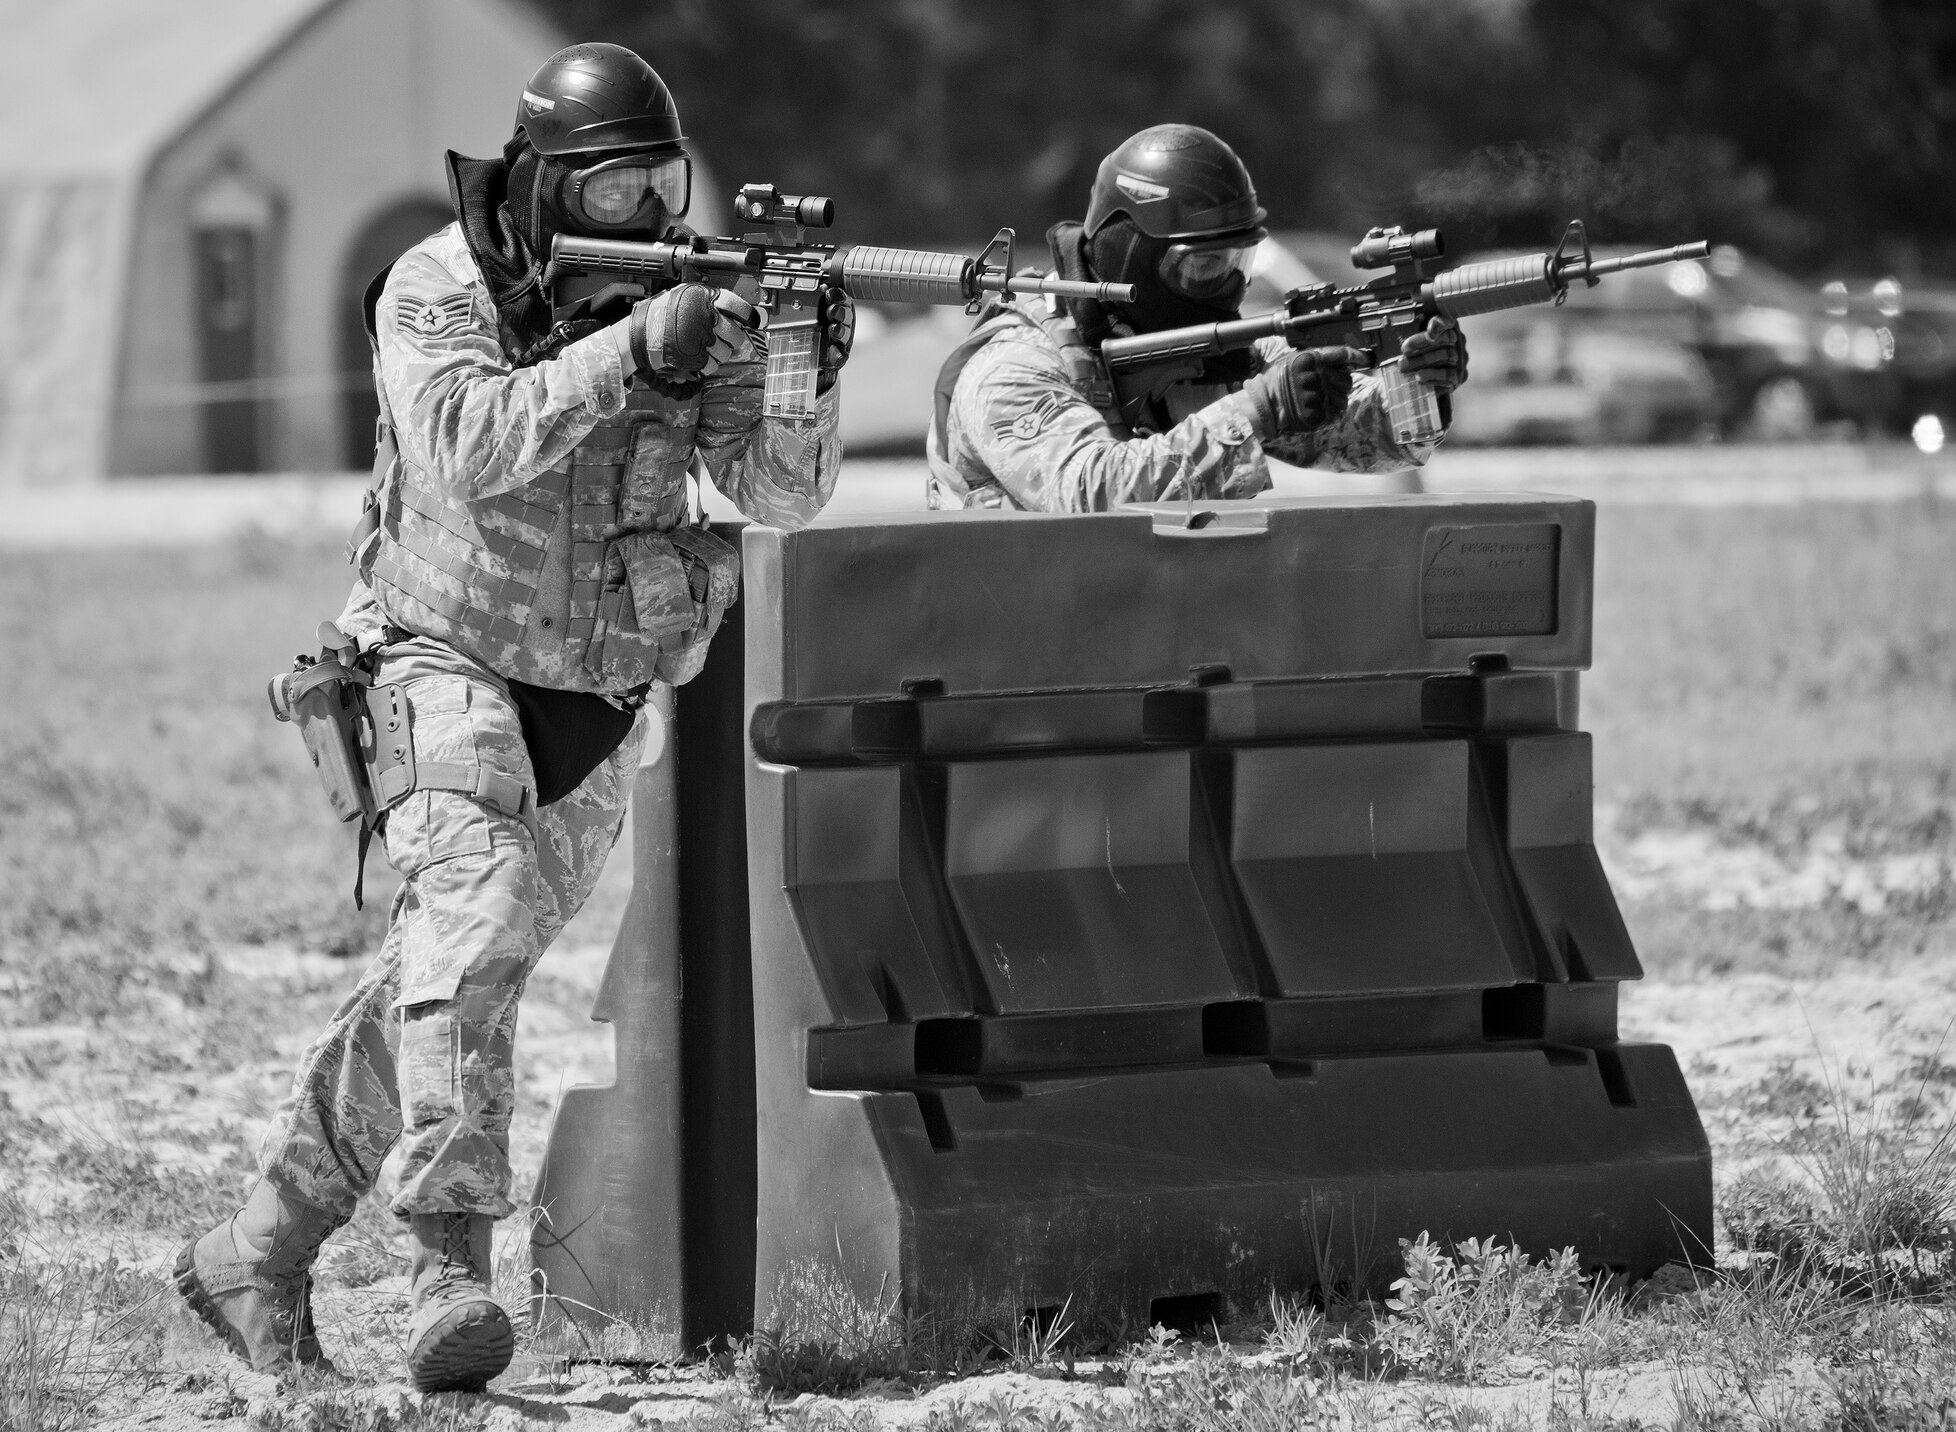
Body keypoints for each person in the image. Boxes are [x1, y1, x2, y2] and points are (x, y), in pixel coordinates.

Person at [174, 43, 847, 1392]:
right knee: (469, 932)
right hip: (435, 657)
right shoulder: (441, 282)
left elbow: (781, 497)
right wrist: (623, 353)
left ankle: (256, 1248)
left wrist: (795, 370)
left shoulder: (686, 294)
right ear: (545, 185)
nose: (648, 214)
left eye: (664, 182)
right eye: (615, 187)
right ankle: (444, 1265)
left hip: (593, 700)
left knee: (445, 983)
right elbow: (464, 445)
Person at [926, 124, 1467, 511]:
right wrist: (1256, 410)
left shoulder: (1211, 351)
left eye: (1239, 262)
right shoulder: (1014, 365)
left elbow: (1370, 442)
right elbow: (1091, 497)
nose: (1229, 286)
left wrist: (1413, 377)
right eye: (1205, 266)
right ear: (1131, 254)